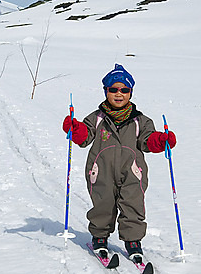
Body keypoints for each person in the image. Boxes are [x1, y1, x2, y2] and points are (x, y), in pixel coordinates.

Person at [62, 64, 176, 261]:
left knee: (133, 206)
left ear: (130, 92)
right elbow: (85, 137)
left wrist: (161, 141)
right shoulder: (97, 118)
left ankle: (133, 241)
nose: (118, 94)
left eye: (124, 90)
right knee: (103, 205)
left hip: (133, 172)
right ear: (106, 91)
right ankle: (99, 237)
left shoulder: (141, 121)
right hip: (101, 171)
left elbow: (148, 140)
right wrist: (76, 129)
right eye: (113, 89)